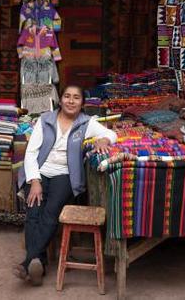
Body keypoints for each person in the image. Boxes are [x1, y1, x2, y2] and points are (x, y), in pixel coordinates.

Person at [14, 85, 117, 285]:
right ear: (60, 100)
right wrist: (35, 181)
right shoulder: (45, 120)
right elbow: (31, 153)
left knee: (50, 213)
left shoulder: (86, 123)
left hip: (65, 176)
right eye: (67, 96)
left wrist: (103, 139)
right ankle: (39, 263)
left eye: (76, 97)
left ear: (82, 103)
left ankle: (28, 263)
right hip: (39, 172)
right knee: (33, 213)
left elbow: (112, 135)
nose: (71, 101)